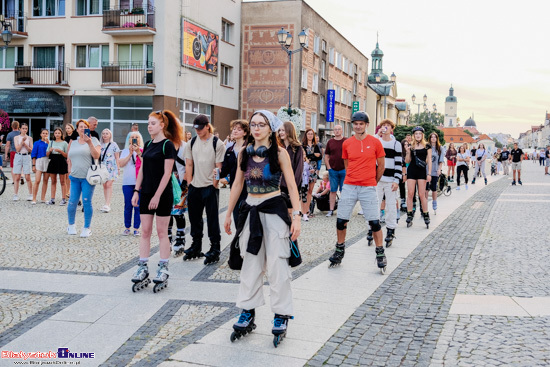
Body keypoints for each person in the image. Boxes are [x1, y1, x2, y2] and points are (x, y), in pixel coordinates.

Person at [223, 110, 301, 344]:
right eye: (253, 124)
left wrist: (296, 216)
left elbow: (292, 186)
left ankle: (281, 314)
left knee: (278, 264)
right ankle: (247, 310)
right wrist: (228, 214)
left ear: (270, 128)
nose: (256, 128)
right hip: (250, 210)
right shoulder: (243, 154)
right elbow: (237, 184)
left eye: (262, 124)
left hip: (274, 209)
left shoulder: (280, 153)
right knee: (251, 264)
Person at [327, 111, 387, 272]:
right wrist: (353, 177)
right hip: (350, 186)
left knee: (374, 222)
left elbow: (381, 166)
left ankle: (380, 253)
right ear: (352, 125)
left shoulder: (375, 142)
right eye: (356, 124)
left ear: (367, 125)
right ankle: (339, 249)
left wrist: (373, 181)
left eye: (361, 124)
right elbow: (347, 164)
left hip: (368, 186)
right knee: (341, 220)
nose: (358, 126)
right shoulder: (347, 143)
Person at [130, 110, 182, 292]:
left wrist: (157, 195)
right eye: (148, 123)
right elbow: (142, 169)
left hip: (162, 195)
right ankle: (143, 266)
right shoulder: (148, 143)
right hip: (146, 193)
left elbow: (168, 173)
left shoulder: (167, 145)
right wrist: (137, 191)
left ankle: (163, 268)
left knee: (162, 232)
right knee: (144, 231)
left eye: (152, 123)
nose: (149, 126)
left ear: (162, 125)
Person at [184, 114, 226, 265]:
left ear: (207, 126)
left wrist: (214, 184)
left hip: (209, 186)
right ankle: (196, 245)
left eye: (201, 128)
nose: (198, 131)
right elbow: (189, 164)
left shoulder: (217, 143)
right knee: (194, 218)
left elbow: (219, 166)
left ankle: (215, 247)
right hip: (195, 186)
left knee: (212, 219)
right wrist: (189, 183)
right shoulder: (192, 142)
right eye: (196, 129)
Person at [66, 119, 101, 237]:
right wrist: (69, 169)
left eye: (84, 126)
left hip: (88, 177)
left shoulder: (94, 140)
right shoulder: (74, 142)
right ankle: (71, 225)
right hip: (75, 176)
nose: (82, 128)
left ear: (87, 128)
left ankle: (87, 227)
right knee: (72, 202)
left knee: (86, 201)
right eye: (80, 127)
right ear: (77, 129)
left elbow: (96, 155)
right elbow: (69, 156)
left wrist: (89, 142)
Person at [375, 119, 402, 247]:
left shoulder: (396, 143)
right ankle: (372, 228)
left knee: (391, 206)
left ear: (392, 128)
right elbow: (370, 147)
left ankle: (391, 230)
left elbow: (398, 163)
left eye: (388, 126)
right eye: (383, 126)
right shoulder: (377, 141)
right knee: (374, 204)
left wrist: (397, 180)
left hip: (390, 179)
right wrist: (378, 134)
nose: (385, 128)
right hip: (378, 179)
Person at [221, 119, 250, 225]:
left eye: (239, 129)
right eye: (234, 129)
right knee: (237, 219)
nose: (235, 131)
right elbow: (224, 171)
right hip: (234, 188)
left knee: (247, 219)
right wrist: (218, 174)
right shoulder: (229, 150)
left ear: (245, 132)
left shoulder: (250, 149)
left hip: (248, 189)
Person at [404, 126, 432, 228]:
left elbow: (429, 160)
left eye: (420, 134)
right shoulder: (411, 146)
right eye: (416, 134)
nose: (418, 135)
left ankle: (426, 214)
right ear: (414, 135)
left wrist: (429, 174)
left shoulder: (427, 146)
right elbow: (407, 161)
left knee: (421, 195)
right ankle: (409, 214)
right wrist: (407, 152)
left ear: (422, 135)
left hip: (421, 171)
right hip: (412, 170)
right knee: (410, 193)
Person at [119, 131, 144, 236]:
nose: (134, 139)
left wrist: (138, 152)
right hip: (127, 182)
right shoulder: (125, 151)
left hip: (140, 182)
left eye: (136, 137)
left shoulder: (143, 150)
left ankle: (137, 228)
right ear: (129, 140)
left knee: (138, 206)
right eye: (132, 137)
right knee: (128, 205)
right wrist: (130, 154)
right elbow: (121, 164)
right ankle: (127, 227)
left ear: (140, 139)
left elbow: (146, 163)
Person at [169, 128, 189, 257]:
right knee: (166, 212)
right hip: (167, 181)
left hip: (181, 181)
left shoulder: (185, 146)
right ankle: (168, 238)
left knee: (178, 212)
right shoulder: (165, 144)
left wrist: (185, 181)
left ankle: (180, 238)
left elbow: (189, 165)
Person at [278, 121, 304, 214]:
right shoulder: (278, 147)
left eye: (283, 130)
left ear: (289, 131)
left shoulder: (297, 148)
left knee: (289, 212)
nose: (280, 132)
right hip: (278, 185)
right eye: (279, 130)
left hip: (290, 185)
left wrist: (294, 186)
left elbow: (299, 169)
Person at [324, 124, 346, 217]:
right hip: (333, 170)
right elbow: (326, 156)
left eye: (339, 129)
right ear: (333, 131)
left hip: (344, 170)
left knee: (343, 191)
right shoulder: (330, 142)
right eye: (335, 129)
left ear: (342, 131)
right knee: (333, 190)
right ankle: (331, 209)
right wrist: (329, 167)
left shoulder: (346, 141)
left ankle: (343, 210)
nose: (337, 131)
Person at [301, 128, 322, 221]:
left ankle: (308, 210)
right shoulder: (302, 145)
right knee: (303, 191)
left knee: (310, 190)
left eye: (311, 134)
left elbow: (320, 156)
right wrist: (313, 155)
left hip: (313, 169)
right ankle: (303, 210)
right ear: (305, 135)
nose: (310, 135)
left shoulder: (316, 145)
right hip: (305, 169)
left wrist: (310, 156)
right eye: (308, 134)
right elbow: (302, 156)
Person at [45, 127, 69, 205]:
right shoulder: (51, 143)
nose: (57, 134)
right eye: (56, 133)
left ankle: (63, 199)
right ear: (54, 134)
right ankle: (52, 199)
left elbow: (67, 155)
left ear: (61, 134)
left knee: (63, 181)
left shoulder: (65, 143)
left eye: (59, 133)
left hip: (61, 161)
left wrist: (60, 151)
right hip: (53, 161)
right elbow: (47, 154)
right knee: (53, 181)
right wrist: (50, 150)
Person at [99, 128, 120, 213]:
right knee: (104, 185)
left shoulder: (114, 144)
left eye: (107, 133)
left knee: (109, 185)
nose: (105, 135)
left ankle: (108, 204)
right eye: (103, 133)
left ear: (110, 135)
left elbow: (117, 157)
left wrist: (118, 168)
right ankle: (106, 203)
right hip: (102, 167)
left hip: (112, 167)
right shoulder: (100, 145)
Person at [12, 123, 33, 201]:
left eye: (26, 128)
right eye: (23, 128)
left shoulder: (30, 138)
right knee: (17, 176)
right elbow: (17, 149)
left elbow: (31, 149)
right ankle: (15, 194)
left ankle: (31, 194)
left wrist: (26, 145)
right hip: (18, 156)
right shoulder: (16, 137)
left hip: (26, 156)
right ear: (20, 129)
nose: (24, 130)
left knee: (28, 176)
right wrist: (22, 143)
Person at [426, 132, 445, 213]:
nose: (433, 138)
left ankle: (434, 202)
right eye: (432, 137)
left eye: (435, 137)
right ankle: (425, 204)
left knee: (434, 188)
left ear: (437, 139)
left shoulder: (440, 148)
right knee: (426, 189)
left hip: (435, 170)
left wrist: (439, 169)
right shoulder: (426, 147)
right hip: (426, 171)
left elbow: (440, 161)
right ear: (429, 138)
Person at [30, 128, 50, 204]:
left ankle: (43, 198)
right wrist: (33, 165)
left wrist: (48, 143)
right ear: (41, 134)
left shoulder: (50, 143)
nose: (45, 135)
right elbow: (33, 154)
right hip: (39, 161)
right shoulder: (37, 143)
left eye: (46, 133)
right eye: (43, 133)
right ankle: (34, 198)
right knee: (37, 180)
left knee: (45, 181)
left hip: (47, 161)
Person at [64, 123, 78, 202]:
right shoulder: (65, 138)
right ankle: (67, 191)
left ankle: (71, 192)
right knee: (67, 176)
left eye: (69, 128)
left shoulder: (75, 136)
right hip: (67, 157)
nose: (67, 129)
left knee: (73, 175)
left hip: (74, 157)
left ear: (72, 129)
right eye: (66, 128)